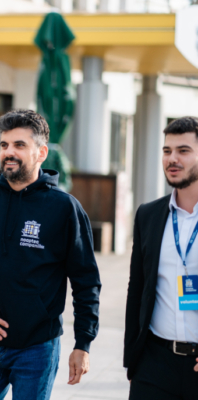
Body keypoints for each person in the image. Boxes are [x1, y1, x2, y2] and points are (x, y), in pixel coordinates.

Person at [0, 109, 101, 400]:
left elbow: (86, 282)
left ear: (41, 153)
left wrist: (83, 343)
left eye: (19, 145)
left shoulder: (65, 208)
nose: (9, 152)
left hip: (36, 349)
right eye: (4, 145)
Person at [124, 116, 198, 399]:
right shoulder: (148, 215)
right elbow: (137, 289)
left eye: (183, 151)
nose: (172, 159)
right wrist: (132, 361)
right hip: (154, 364)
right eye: (167, 151)